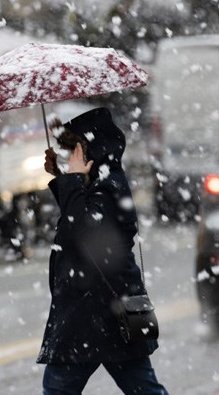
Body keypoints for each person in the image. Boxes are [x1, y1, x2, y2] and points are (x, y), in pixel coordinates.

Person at [38, 107, 168, 395]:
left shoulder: (108, 186)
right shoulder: (103, 182)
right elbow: (81, 222)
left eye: (71, 149)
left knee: (58, 389)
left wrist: (70, 180)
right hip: (105, 308)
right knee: (142, 387)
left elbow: (84, 231)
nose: (68, 156)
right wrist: (63, 178)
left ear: (87, 148)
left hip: (95, 311)